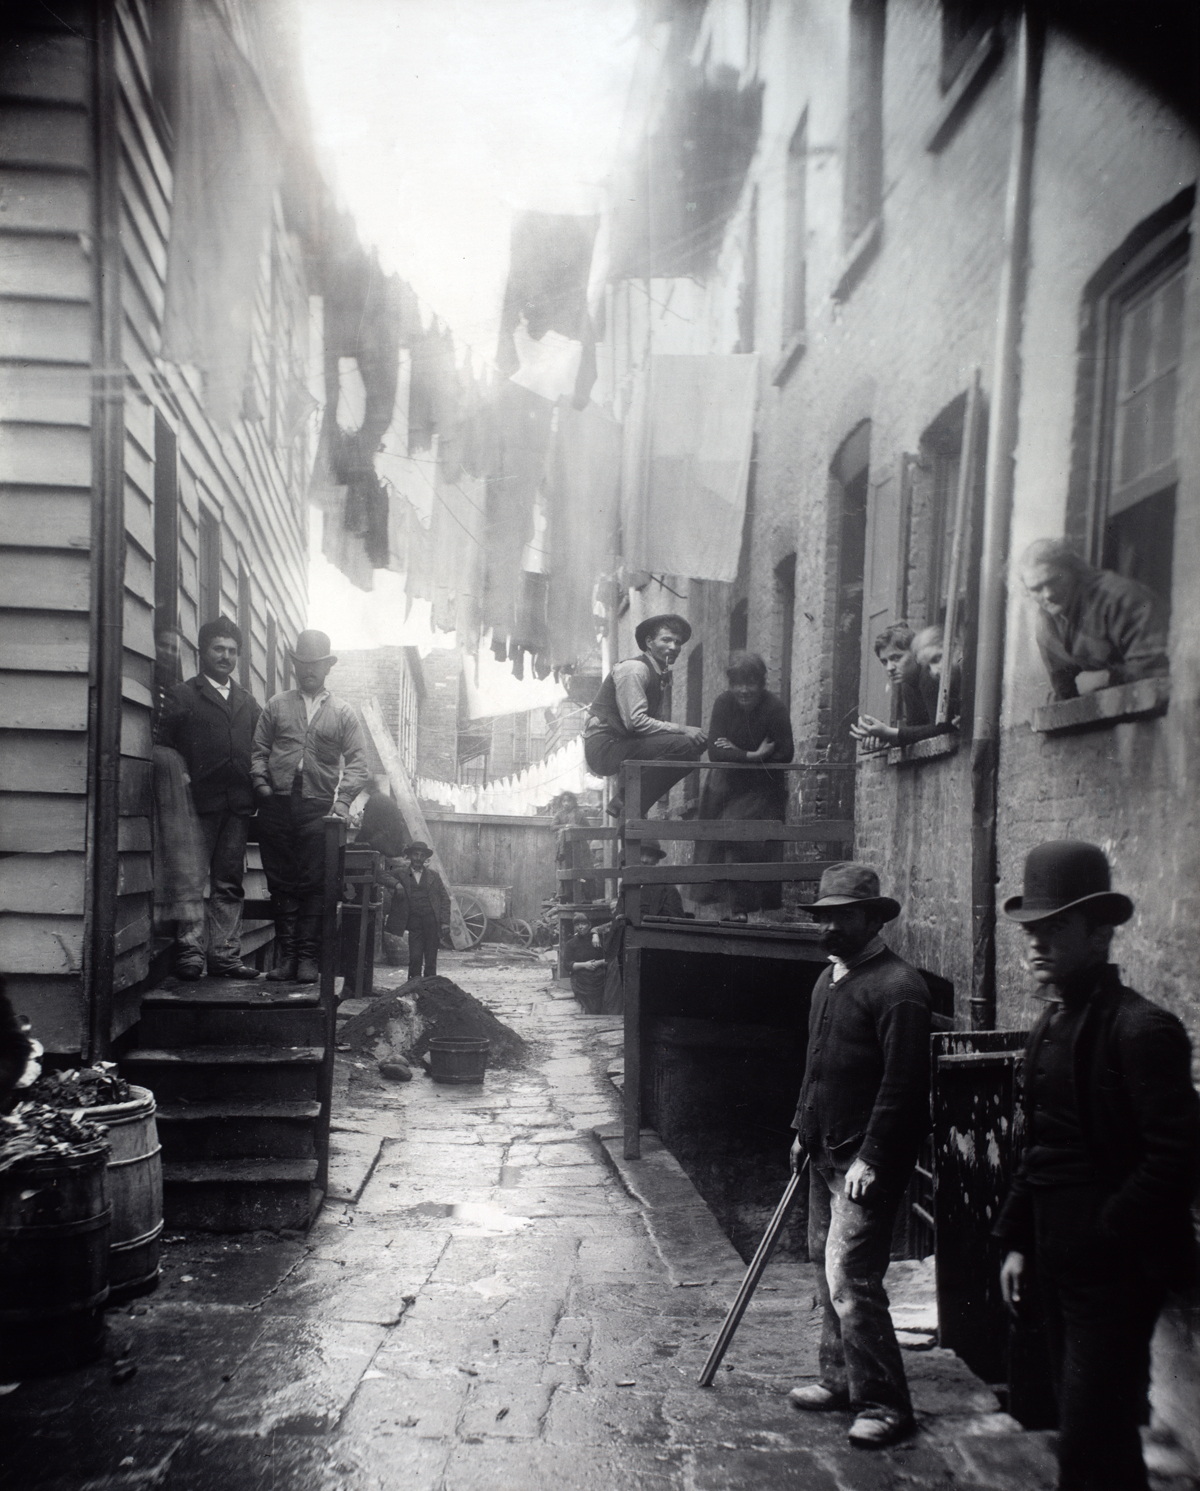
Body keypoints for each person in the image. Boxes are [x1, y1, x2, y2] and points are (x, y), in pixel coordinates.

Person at [994, 841, 1200, 1491]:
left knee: (1089, 1439)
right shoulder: (1049, 1029)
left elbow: (1178, 1157)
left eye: (1056, 928)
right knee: (1087, 1436)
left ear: (1101, 933)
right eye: (1033, 929)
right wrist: (1019, 1239)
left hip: (1117, 1273)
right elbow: (1041, 1146)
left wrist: (1106, 1232)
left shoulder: (1143, 1030)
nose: (1036, 944)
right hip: (1059, 1262)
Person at [788, 863, 932, 1448]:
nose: (828, 929)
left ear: (873, 919)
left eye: (841, 918)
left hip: (865, 1162)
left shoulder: (899, 989)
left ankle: (885, 1405)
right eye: (823, 918)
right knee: (826, 1268)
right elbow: (815, 1065)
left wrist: (872, 1157)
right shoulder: (829, 981)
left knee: (851, 1277)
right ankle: (840, 1380)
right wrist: (802, 1127)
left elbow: (903, 1086)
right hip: (825, 1149)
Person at [251, 630, 370, 984]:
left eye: (315, 665)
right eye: (303, 664)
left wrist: (343, 801)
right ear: (295, 666)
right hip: (277, 803)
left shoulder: (343, 713)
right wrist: (261, 784)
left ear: (327, 667)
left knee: (314, 882)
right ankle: (287, 957)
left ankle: (306, 959)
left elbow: (359, 762)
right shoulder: (276, 705)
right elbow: (258, 750)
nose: (309, 671)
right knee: (280, 880)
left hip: (318, 807)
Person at [156, 616, 262, 979]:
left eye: (233, 651)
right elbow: (163, 748)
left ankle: (224, 955)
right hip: (195, 806)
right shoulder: (184, 695)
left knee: (229, 881)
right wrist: (181, 776)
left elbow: (261, 749)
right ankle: (189, 953)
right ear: (203, 652)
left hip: (237, 805)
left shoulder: (248, 703)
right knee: (190, 879)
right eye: (219, 649)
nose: (226, 656)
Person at [695, 651, 795, 920]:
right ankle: (729, 909)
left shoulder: (775, 708)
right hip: (725, 787)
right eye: (737, 683)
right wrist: (753, 755)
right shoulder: (723, 703)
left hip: (762, 789)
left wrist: (737, 752)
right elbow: (715, 751)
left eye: (750, 683)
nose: (743, 690)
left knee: (745, 840)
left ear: (761, 684)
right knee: (719, 843)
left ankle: (750, 910)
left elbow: (785, 753)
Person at [583, 613, 706, 819]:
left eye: (677, 642)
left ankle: (625, 804)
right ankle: (627, 803)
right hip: (604, 746)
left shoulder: (659, 674)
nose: (673, 647)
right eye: (666, 640)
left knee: (694, 748)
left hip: (623, 742)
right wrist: (682, 729)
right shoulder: (635, 669)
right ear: (649, 642)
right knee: (687, 744)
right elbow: (636, 723)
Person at [1018, 538, 1169, 701]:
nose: (1048, 594)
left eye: (1055, 580)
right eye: (1036, 589)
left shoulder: (1120, 599)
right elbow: (1065, 690)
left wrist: (1106, 678)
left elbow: (1159, 669)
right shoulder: (1047, 620)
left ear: (1074, 570)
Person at [851, 625, 959, 749]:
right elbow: (917, 728)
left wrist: (892, 733)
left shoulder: (930, 675)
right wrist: (888, 738)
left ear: (915, 654)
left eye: (896, 658)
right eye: (884, 661)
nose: (889, 668)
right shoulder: (907, 684)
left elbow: (944, 727)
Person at [386, 841, 452, 981]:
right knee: (415, 957)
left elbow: (445, 899)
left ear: (425, 858)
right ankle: (413, 988)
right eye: (415, 854)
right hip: (414, 922)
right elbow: (381, 875)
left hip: (431, 921)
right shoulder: (400, 873)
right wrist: (396, 884)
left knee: (430, 958)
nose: (418, 858)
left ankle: (430, 991)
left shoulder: (433, 876)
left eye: (422, 855)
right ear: (410, 856)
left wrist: (445, 921)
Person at [561, 911, 606, 1012]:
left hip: (599, 980)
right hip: (581, 981)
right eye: (577, 924)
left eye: (583, 924)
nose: (580, 927)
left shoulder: (598, 941)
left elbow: (609, 959)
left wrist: (598, 963)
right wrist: (584, 965)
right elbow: (567, 965)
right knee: (587, 1007)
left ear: (589, 925)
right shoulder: (571, 943)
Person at [357, 775, 410, 860]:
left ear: (367, 787)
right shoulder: (385, 798)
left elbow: (367, 826)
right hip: (394, 844)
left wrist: (357, 842)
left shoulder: (374, 800)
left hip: (384, 845)